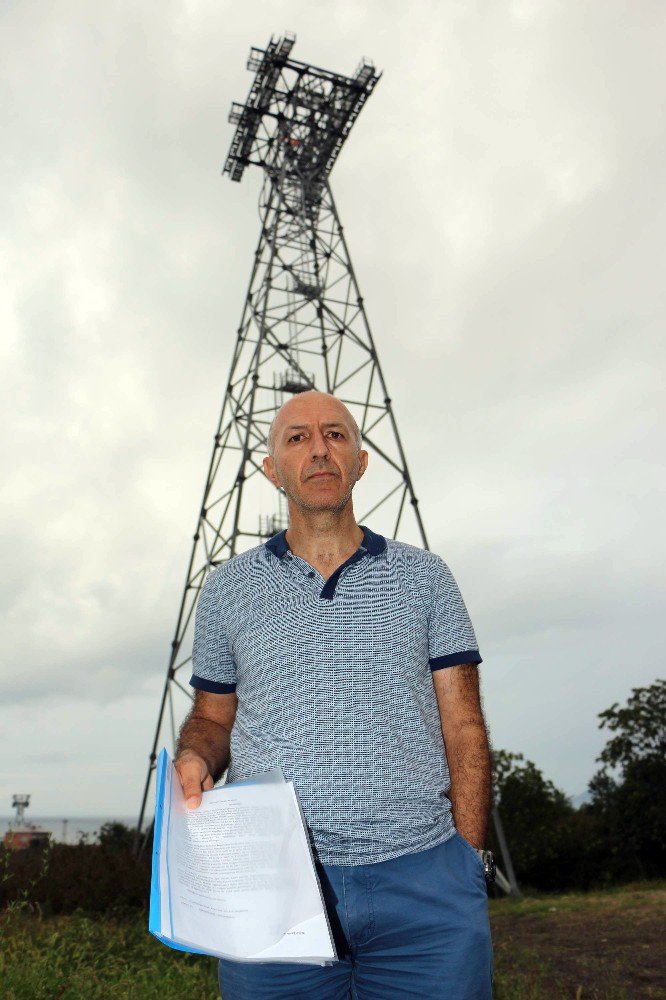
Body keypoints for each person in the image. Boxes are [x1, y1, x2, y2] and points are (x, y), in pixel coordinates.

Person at [174, 390, 494, 999]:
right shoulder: (227, 589)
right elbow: (212, 718)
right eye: (297, 438)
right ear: (272, 469)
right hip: (272, 889)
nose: (318, 449)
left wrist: (467, 862)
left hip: (424, 884)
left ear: (361, 460)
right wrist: (195, 757)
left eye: (335, 435)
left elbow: (464, 728)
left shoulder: (426, 576)